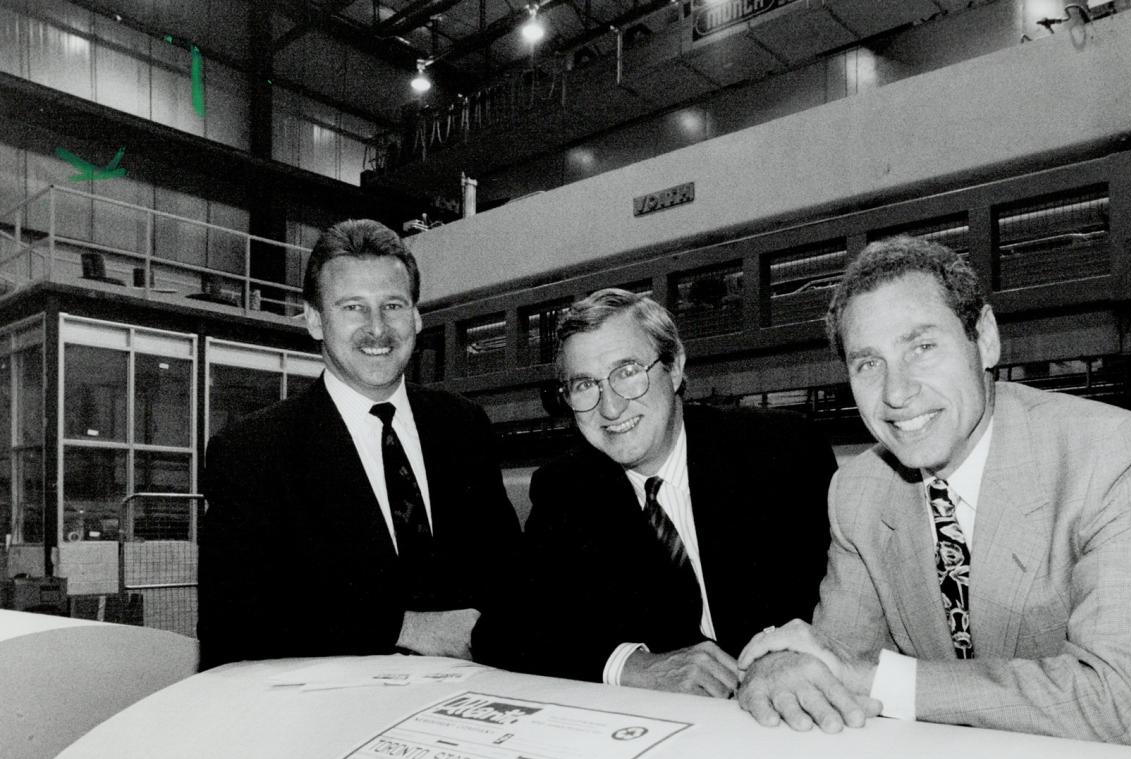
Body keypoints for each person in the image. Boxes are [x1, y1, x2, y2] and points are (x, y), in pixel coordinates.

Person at [737, 237, 1131, 743]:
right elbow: (834, 663)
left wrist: (875, 679)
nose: (897, 394)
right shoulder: (857, 492)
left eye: (921, 347)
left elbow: (1111, 703)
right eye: (868, 364)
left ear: (985, 338)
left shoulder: (1110, 452)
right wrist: (783, 665)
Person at [472, 288, 837, 697]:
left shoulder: (781, 452)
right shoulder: (568, 488)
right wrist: (631, 665)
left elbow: (843, 612)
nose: (609, 408)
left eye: (627, 372)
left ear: (675, 367)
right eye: (584, 385)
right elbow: (500, 631)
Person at [197, 219, 520, 668]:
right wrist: (405, 627)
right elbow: (231, 624)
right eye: (353, 307)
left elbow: (511, 576)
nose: (377, 329)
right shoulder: (253, 451)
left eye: (392, 305)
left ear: (417, 315)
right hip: (335, 722)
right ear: (313, 320)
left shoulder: (463, 427)